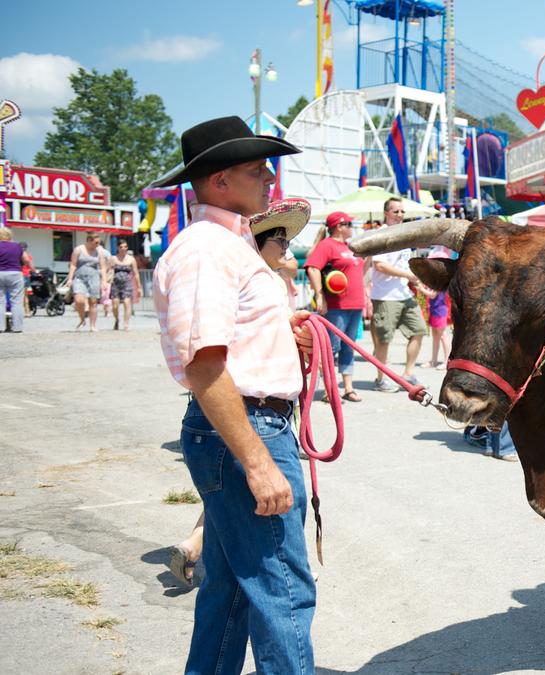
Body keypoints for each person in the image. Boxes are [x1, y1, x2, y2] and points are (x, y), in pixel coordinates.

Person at [150, 115, 316, 671]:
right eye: (255, 168)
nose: (269, 177)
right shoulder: (207, 250)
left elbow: (224, 346)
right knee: (283, 592)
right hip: (247, 430)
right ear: (219, 180)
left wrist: (281, 335)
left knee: (232, 591)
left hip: (245, 424)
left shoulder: (229, 245)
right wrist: (258, 462)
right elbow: (204, 365)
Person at [168, 198, 312, 588]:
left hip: (265, 408)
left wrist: (295, 335)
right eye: (278, 238)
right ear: (257, 241)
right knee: (283, 584)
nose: (286, 246)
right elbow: (206, 359)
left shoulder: (271, 282)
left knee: (232, 543)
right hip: (251, 407)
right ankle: (197, 541)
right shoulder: (220, 261)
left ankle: (198, 545)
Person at [306, 211, 369, 401]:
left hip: (355, 303)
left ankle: (348, 388)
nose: (352, 227)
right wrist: (319, 295)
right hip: (336, 305)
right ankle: (329, 390)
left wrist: (366, 297)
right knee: (332, 347)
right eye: (349, 224)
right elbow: (312, 267)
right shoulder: (327, 245)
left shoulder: (352, 246)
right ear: (339, 226)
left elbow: (361, 273)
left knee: (349, 346)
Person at [367, 197, 427, 390]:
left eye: (402, 212)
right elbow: (380, 265)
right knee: (384, 340)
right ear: (386, 213)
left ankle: (408, 373)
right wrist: (408, 275)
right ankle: (380, 379)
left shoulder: (403, 235)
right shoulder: (381, 234)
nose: (400, 215)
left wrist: (420, 285)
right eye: (396, 211)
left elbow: (403, 266)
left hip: (404, 294)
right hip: (385, 296)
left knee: (418, 330)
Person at [65, 233, 109, 332]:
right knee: (79, 300)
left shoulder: (99, 252)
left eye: (99, 242)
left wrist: (104, 281)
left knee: (93, 302)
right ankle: (82, 319)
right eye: (96, 242)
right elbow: (73, 264)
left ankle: (92, 325)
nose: (98, 244)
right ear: (89, 240)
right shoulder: (79, 250)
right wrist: (70, 278)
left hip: (94, 277)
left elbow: (102, 267)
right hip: (79, 277)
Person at [108, 240, 142, 331]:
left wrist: (139, 287)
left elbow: (136, 273)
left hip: (127, 283)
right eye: (121, 247)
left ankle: (126, 323)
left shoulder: (131, 259)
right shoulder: (113, 258)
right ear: (118, 248)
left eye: (125, 247)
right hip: (116, 283)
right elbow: (109, 270)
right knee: (115, 304)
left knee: (127, 303)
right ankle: (116, 319)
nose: (123, 249)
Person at [0, 228, 28, 333]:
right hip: (15, 273)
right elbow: (26, 259)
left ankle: (0, 327)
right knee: (16, 301)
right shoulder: (17, 246)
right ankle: (18, 327)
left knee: (0, 301)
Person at [19, 242, 32, 318]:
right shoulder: (28, 256)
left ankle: (23, 311)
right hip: (26, 275)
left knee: (19, 295)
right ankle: (27, 311)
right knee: (25, 295)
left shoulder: (17, 255)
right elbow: (30, 266)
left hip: (18, 274)